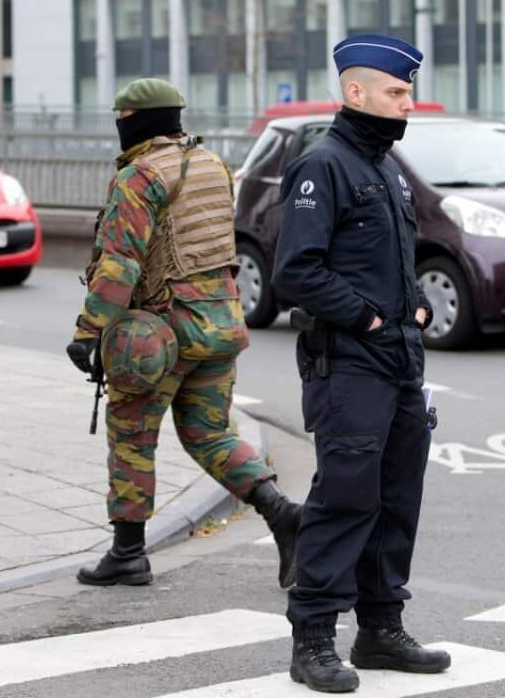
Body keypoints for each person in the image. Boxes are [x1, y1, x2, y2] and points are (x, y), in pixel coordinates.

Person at [67, 78, 302, 589]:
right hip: (220, 324)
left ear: (131, 122)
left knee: (132, 433)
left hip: (163, 332)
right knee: (211, 433)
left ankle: (128, 553)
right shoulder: (213, 166)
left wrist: (88, 333)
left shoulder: (139, 177)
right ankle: (281, 511)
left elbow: (120, 265)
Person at [272, 34, 450, 693]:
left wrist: (413, 311)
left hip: (399, 359)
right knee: (345, 499)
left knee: (396, 499)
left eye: (407, 92)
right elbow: (297, 270)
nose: (408, 103)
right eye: (397, 92)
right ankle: (313, 639)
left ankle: (380, 629)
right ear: (357, 92)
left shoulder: (384, 166)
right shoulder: (325, 164)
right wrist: (368, 315)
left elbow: (386, 263)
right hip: (347, 361)